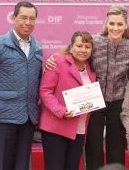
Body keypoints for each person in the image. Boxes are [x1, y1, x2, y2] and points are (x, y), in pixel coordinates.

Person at [45, 5, 129, 169]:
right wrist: (54, 58)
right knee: (93, 145)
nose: (115, 28)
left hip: (118, 102)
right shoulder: (94, 42)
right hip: (94, 101)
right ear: (106, 24)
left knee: (116, 145)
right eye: (112, 24)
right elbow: (74, 52)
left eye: (120, 24)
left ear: (126, 26)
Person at [0, 1, 43, 170]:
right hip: (3, 117)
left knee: (22, 166)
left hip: (28, 117)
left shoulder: (38, 48)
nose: (28, 22)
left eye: (32, 19)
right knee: (4, 165)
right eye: (23, 18)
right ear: (14, 18)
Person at [39, 31, 96, 170]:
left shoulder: (91, 68)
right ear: (71, 47)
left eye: (87, 47)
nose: (83, 50)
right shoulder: (58, 61)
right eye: (79, 45)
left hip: (79, 130)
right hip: (56, 127)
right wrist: (61, 111)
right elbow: (45, 91)